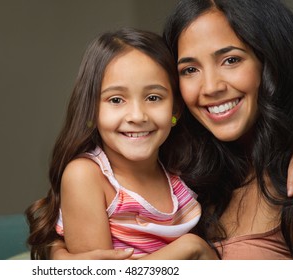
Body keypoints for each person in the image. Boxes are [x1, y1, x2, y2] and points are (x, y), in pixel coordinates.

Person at [47, 0, 293, 260]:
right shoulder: (187, 165)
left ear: (270, 61)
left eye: (231, 60)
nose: (210, 86)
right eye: (189, 69)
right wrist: (61, 258)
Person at [26, 27, 217, 260]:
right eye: (116, 99)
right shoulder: (86, 176)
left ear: (175, 109)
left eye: (153, 97)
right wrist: (189, 247)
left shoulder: (181, 173)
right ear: (92, 109)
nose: (137, 116)